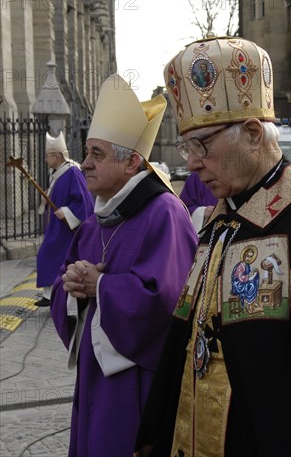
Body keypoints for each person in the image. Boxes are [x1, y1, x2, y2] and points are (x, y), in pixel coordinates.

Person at [135, 36, 291, 457]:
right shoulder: (221, 222)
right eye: (187, 146)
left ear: (254, 132)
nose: (192, 161)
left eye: (202, 144)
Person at [50, 74, 198, 457]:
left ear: (132, 161)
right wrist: (70, 287)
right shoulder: (96, 221)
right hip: (95, 375)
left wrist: (99, 286)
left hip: (136, 382)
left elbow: (167, 302)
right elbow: (64, 288)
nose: (84, 164)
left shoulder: (164, 213)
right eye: (86, 152)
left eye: (96, 154)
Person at [35, 132, 94, 307]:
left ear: (58, 156)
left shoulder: (72, 172)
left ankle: (53, 294)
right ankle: (50, 294)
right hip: (57, 227)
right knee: (48, 255)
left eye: (48, 156)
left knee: (50, 255)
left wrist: (67, 212)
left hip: (66, 228)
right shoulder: (58, 173)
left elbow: (83, 200)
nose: (46, 160)